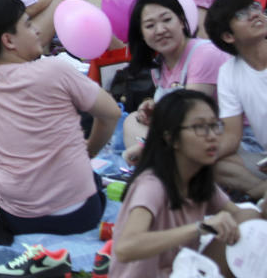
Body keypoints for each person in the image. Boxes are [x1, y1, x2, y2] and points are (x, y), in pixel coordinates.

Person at [0, 0, 120, 234]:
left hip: (19, 221)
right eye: (27, 24)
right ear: (9, 40)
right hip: (82, 213)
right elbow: (111, 113)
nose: (36, 30)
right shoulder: (55, 69)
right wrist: (89, 152)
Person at [112, 90, 263, 278]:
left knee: (249, 218)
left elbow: (243, 217)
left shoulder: (198, 179)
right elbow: (125, 248)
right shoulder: (153, 185)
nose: (212, 136)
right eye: (200, 127)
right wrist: (200, 227)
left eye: (215, 126)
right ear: (171, 137)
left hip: (182, 271)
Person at [121, 0, 229, 162]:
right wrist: (153, 107)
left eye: (167, 19)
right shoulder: (160, 64)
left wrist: (146, 145)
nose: (161, 30)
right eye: (150, 26)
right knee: (132, 121)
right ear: (141, 34)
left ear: (181, 20)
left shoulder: (204, 54)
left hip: (226, 138)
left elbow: (191, 115)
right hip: (185, 137)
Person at [204, 0, 267, 199]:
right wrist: (191, 157)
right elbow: (232, 136)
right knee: (215, 164)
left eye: (254, 7)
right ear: (228, 36)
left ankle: (257, 197)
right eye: (241, 14)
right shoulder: (228, 72)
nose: (254, 15)